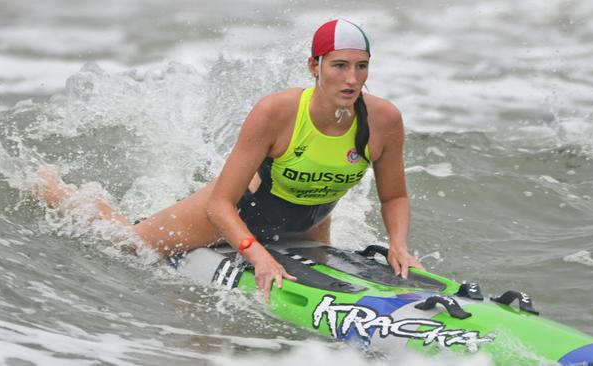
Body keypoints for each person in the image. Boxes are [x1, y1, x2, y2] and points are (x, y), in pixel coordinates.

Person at [33, 19, 424, 302]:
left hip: (310, 221)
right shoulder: (278, 113)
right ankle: (52, 188)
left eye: (361, 66)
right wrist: (258, 256)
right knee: (130, 243)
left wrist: (399, 246)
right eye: (339, 65)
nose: (352, 79)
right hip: (240, 212)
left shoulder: (383, 120)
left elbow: (394, 197)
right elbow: (220, 203)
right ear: (314, 66)